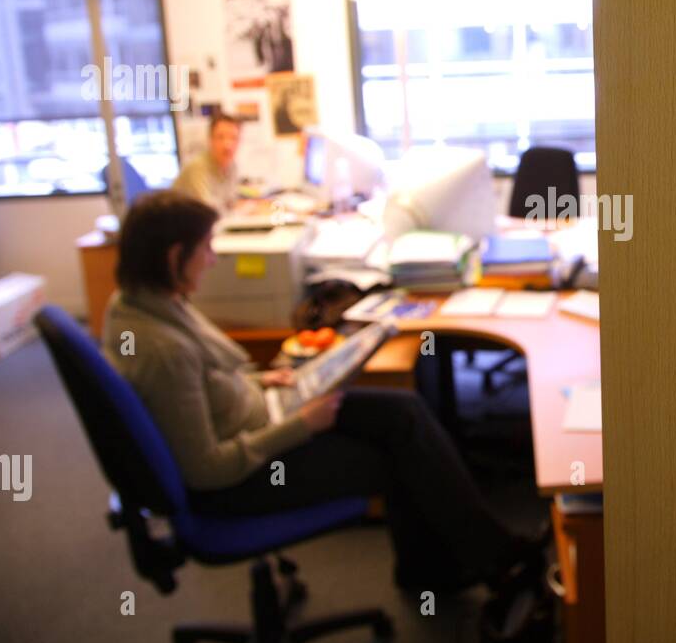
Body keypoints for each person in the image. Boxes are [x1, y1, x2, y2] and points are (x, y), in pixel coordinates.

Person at [102, 190, 546, 598]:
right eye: (206, 248)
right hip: (244, 477)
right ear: (174, 255)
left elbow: (203, 383)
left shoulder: (145, 301)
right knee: (401, 457)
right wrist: (302, 425)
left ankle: (444, 565)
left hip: (264, 413)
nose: (213, 259)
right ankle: (484, 561)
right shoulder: (162, 350)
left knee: (405, 413)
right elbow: (208, 470)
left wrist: (259, 382)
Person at [172, 112, 241, 212]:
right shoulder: (197, 167)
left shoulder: (232, 166)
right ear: (210, 139)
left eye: (233, 138)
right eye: (220, 137)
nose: (227, 145)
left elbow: (231, 203)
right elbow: (207, 210)